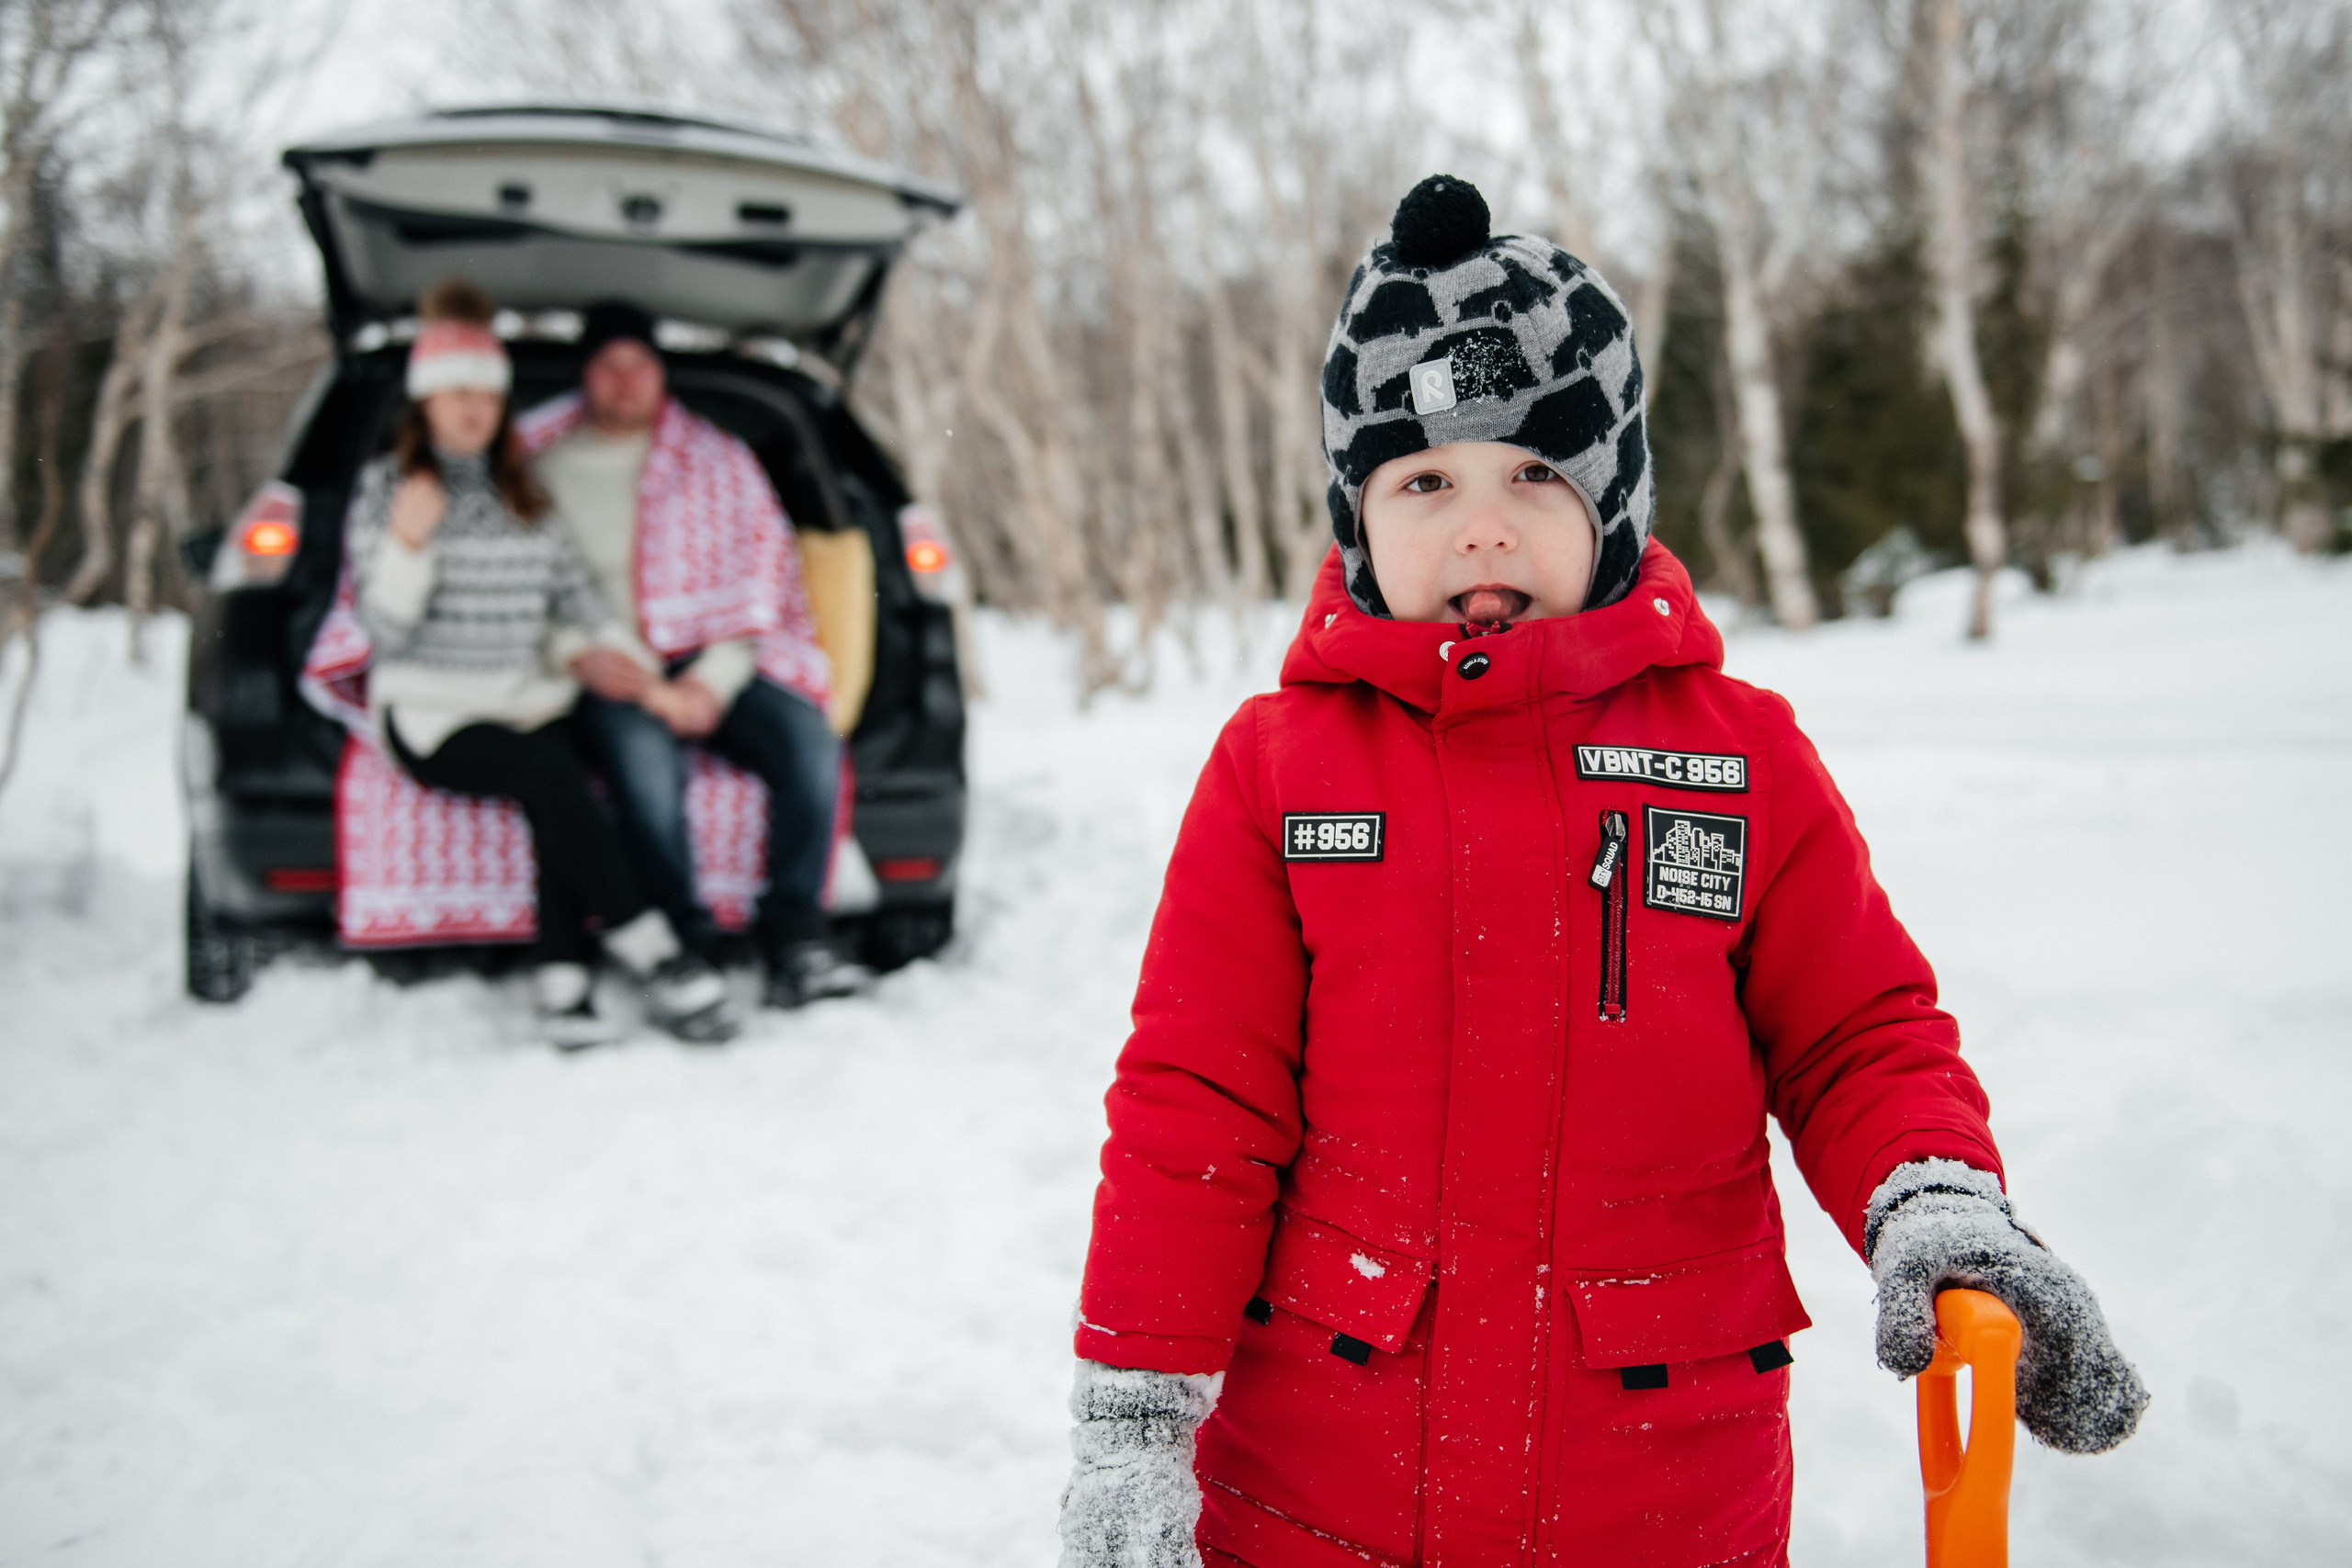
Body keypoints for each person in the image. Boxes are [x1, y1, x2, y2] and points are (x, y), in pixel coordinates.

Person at [1055, 178, 2149, 1568]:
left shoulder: (1742, 757)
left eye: (1535, 473)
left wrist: (1935, 1196)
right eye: (1425, 480)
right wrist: (1137, 1409)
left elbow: (1856, 1030)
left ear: (1615, 493)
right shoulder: (1279, 769)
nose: (1483, 526)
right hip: (1323, 1483)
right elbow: (1196, 1101)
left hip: (1658, 1491)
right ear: (1358, 516)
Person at [349, 278, 735, 1049]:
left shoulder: (526, 493)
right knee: (550, 776)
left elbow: (582, 606)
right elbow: (383, 631)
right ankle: (652, 947)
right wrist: (408, 546)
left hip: (526, 695)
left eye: (486, 398)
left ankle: (563, 987)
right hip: (434, 709)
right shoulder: (390, 489)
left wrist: (654, 684)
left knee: (564, 790)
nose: (471, 411)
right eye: (455, 395)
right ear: (425, 403)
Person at [523, 300, 866, 1011]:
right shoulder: (542, 469)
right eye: (608, 366)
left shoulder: (719, 463)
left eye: (639, 365)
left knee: (809, 742)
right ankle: (687, 940)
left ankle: (796, 930)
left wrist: (710, 685)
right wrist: (580, 657)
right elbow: (528, 595)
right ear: (586, 376)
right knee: (645, 769)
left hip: (719, 660)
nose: (625, 381)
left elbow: (757, 590)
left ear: (659, 374)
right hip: (609, 666)